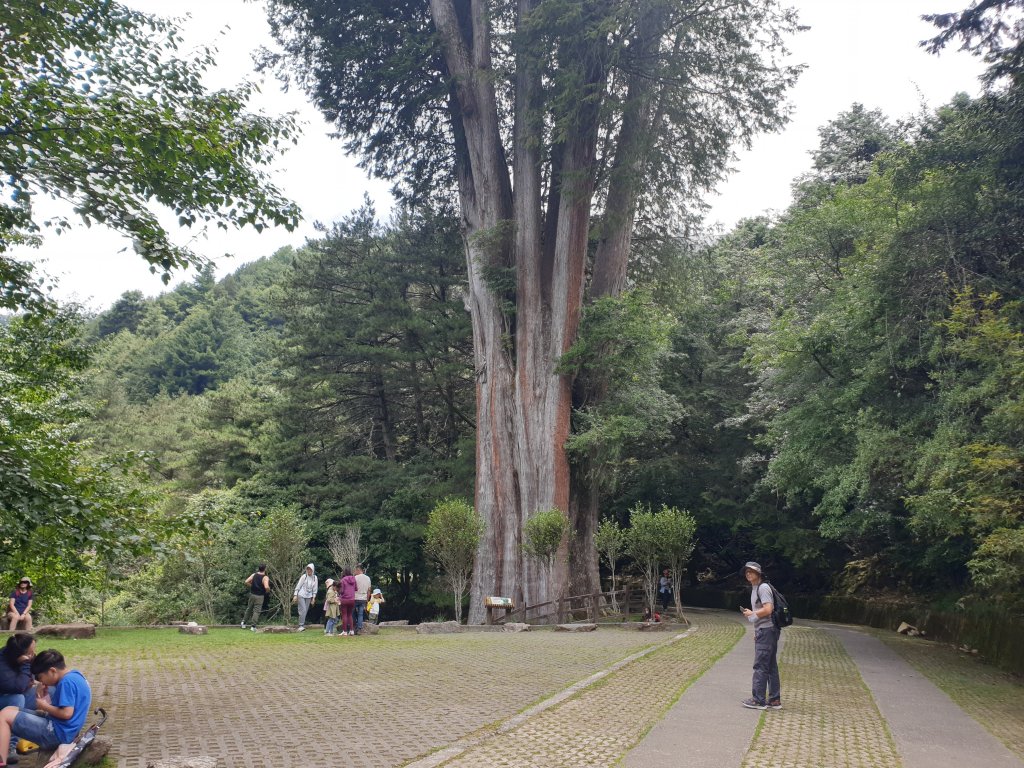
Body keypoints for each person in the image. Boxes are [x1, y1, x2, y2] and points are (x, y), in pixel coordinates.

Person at [0, 649, 91, 768]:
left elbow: (67, 713)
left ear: (52, 671)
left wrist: (44, 705)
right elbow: (62, 708)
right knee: (9, 710)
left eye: (41, 677)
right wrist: (43, 697)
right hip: (60, 728)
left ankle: (2, 761)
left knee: (4, 717)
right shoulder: (75, 675)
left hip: (56, 734)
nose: (41, 681)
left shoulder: (66, 682)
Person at [739, 561, 781, 711]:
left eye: (751, 571)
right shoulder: (756, 588)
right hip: (766, 631)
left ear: (758, 573)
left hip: (767, 630)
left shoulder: (762, 588)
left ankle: (758, 700)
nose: (748, 573)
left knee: (760, 665)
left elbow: (768, 609)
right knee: (770, 665)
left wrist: (753, 613)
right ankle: (775, 700)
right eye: (746, 571)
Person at [0, 635, 36, 765]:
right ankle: (10, 746)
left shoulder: (23, 659)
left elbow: (35, 675)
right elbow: (18, 687)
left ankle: (50, 730)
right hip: (5, 701)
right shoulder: (2, 663)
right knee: (18, 699)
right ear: (20, 655)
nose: (33, 654)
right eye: (30, 653)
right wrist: (26, 665)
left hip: (13, 697)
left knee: (51, 690)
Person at [241, 564, 270, 630]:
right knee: (256, 611)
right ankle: (253, 626)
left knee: (249, 608)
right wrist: (268, 591)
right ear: (265, 569)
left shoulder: (254, 575)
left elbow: (246, 581)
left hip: (252, 594)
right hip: (259, 596)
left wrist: (252, 586)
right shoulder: (265, 577)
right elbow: (266, 587)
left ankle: (243, 622)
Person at [292, 563, 318, 632]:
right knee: (302, 609)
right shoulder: (304, 576)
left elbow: (315, 589)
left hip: (309, 596)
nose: (309, 571)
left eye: (310, 569)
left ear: (313, 570)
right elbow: (298, 586)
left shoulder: (315, 578)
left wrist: (313, 598)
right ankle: (301, 625)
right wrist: (295, 595)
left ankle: (301, 624)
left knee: (305, 611)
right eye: (308, 569)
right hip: (301, 594)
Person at [337, 568, 356, 637]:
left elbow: (341, 591)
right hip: (352, 599)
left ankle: (344, 631)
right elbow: (356, 589)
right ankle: (351, 631)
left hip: (345, 599)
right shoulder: (354, 579)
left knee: (344, 615)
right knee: (350, 615)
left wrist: (339, 591)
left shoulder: (343, 580)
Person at [353, 565, 371, 635]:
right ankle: (359, 628)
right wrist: (367, 599)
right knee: (360, 614)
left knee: (352, 612)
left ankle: (354, 627)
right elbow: (369, 590)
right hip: (363, 598)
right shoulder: (368, 578)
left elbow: (353, 588)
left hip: (355, 597)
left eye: (355, 570)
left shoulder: (355, 578)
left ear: (358, 570)